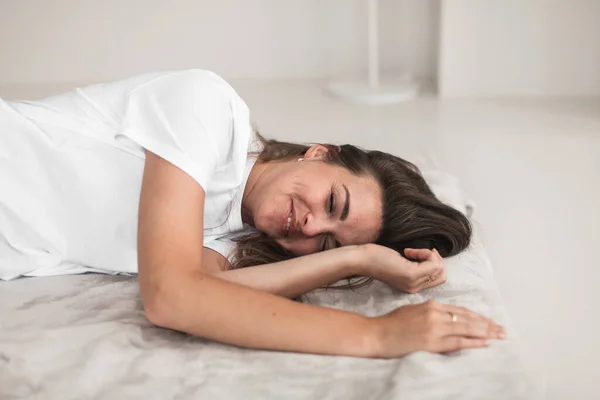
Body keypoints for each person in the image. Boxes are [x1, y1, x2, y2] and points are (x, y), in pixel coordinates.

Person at [0, 69, 504, 358]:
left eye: (328, 241)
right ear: (319, 152)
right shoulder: (207, 108)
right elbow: (171, 298)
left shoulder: (228, 238)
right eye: (333, 203)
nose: (311, 226)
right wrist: (378, 336)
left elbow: (204, 296)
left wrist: (358, 260)